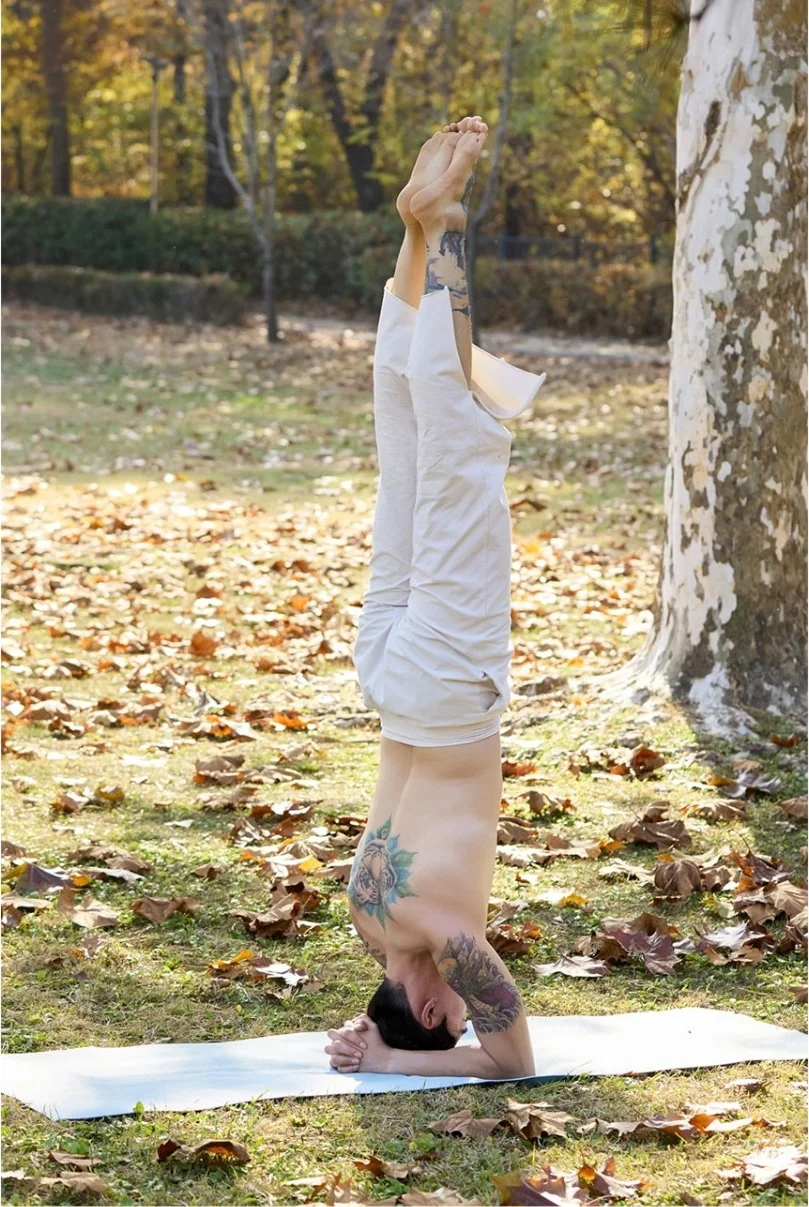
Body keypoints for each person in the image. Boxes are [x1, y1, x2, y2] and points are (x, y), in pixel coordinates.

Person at [324, 116, 545, 1081]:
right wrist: (368, 1032)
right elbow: (401, 985)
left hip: (450, 682)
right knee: (405, 441)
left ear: (428, 1004)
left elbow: (510, 1060)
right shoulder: (368, 914)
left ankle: (443, 224)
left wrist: (393, 1061)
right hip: (388, 674)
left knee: (456, 446)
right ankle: (413, 237)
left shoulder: (443, 936)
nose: (465, 1008)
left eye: (443, 1016)